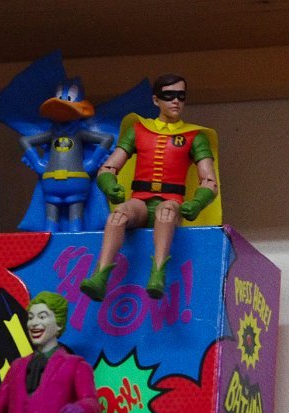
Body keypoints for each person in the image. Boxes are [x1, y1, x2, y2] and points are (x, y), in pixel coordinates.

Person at [80, 74, 218, 300]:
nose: (176, 101)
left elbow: (209, 181)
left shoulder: (194, 137)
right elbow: (108, 168)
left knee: (165, 213)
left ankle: (158, 274)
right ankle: (100, 275)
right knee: (118, 215)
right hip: (140, 202)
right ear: (156, 100)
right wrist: (109, 186)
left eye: (181, 96)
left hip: (172, 202)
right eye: (169, 96)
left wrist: (197, 202)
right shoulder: (138, 130)